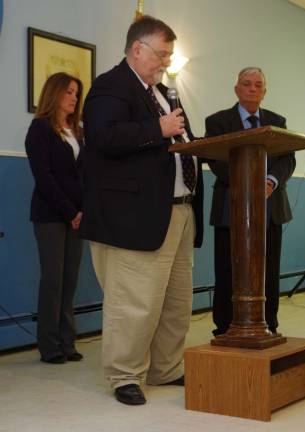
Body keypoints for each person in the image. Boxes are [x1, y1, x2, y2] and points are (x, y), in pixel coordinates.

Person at [79, 15, 203, 406]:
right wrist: (159, 128)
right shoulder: (110, 86)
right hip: (138, 214)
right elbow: (104, 136)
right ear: (137, 49)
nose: (166, 61)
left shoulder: (161, 93)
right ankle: (124, 376)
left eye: (169, 55)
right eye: (162, 54)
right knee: (135, 301)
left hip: (179, 212)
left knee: (175, 300)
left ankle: (165, 367)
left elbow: (178, 139)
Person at [205, 67, 296, 336]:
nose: (252, 89)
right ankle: (224, 328)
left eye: (258, 85)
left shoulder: (277, 120)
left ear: (264, 92)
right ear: (236, 89)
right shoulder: (218, 121)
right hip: (230, 207)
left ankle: (270, 325)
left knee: (268, 270)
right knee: (227, 270)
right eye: (247, 84)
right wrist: (247, 184)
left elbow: (288, 159)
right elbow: (216, 159)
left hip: (271, 207)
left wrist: (269, 181)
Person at [25, 72, 85, 364]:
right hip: (51, 215)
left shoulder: (78, 131)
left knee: (70, 280)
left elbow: (83, 175)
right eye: (69, 92)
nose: (74, 98)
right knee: (53, 281)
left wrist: (81, 211)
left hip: (77, 216)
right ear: (55, 94)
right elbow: (44, 178)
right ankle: (50, 347)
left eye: (76, 93)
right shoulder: (39, 129)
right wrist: (70, 211)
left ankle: (67, 343)